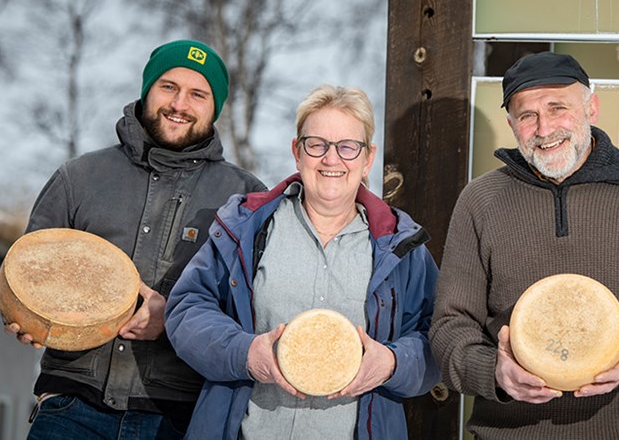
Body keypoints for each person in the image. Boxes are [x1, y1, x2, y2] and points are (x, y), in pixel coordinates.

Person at [0, 39, 266, 439]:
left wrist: (173, 320)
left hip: (178, 418)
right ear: (147, 89)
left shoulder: (246, 200)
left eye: (197, 94)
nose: (179, 104)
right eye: (168, 86)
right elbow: (29, 272)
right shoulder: (79, 177)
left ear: (215, 106)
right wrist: (23, 311)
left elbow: (255, 315)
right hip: (71, 407)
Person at [429, 51, 619, 439]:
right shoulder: (480, 201)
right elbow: (450, 327)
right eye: (527, 115)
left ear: (591, 107)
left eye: (558, 108)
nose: (544, 129)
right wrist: (494, 372)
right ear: (511, 124)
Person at [164, 84, 440, 439]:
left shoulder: (402, 246)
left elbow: (438, 337)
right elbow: (187, 309)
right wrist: (245, 353)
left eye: (347, 147)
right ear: (297, 151)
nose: (331, 159)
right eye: (317, 144)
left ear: (368, 158)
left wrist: (392, 363)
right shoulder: (247, 227)